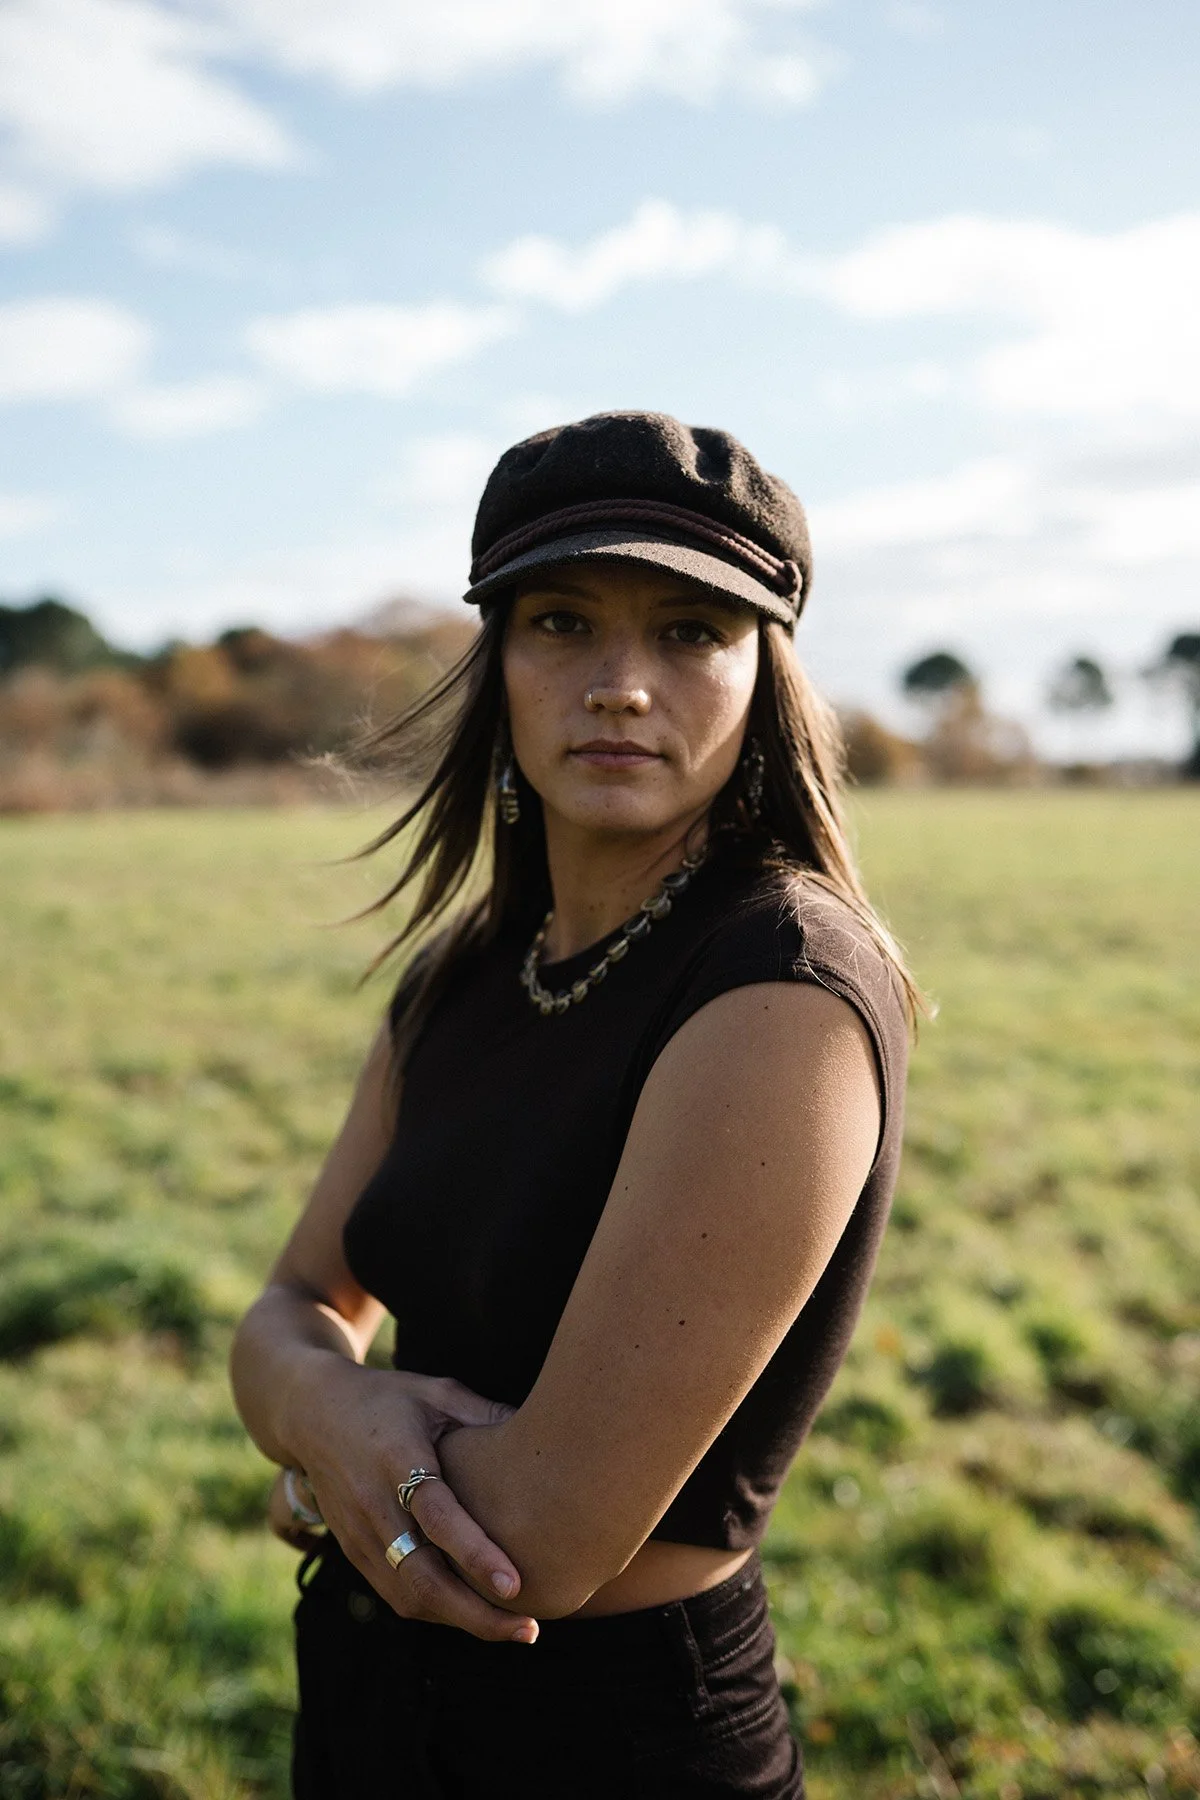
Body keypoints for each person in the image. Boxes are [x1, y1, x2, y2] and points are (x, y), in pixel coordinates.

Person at [230, 411, 918, 1798]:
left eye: (690, 633)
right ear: (498, 662)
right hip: (363, 1697)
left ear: (764, 674)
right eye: (559, 623)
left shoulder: (779, 984)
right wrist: (333, 1422)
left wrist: (311, 1460)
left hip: (611, 1739)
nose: (618, 683)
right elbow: (292, 1304)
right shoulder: (463, 970)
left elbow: (539, 1538)